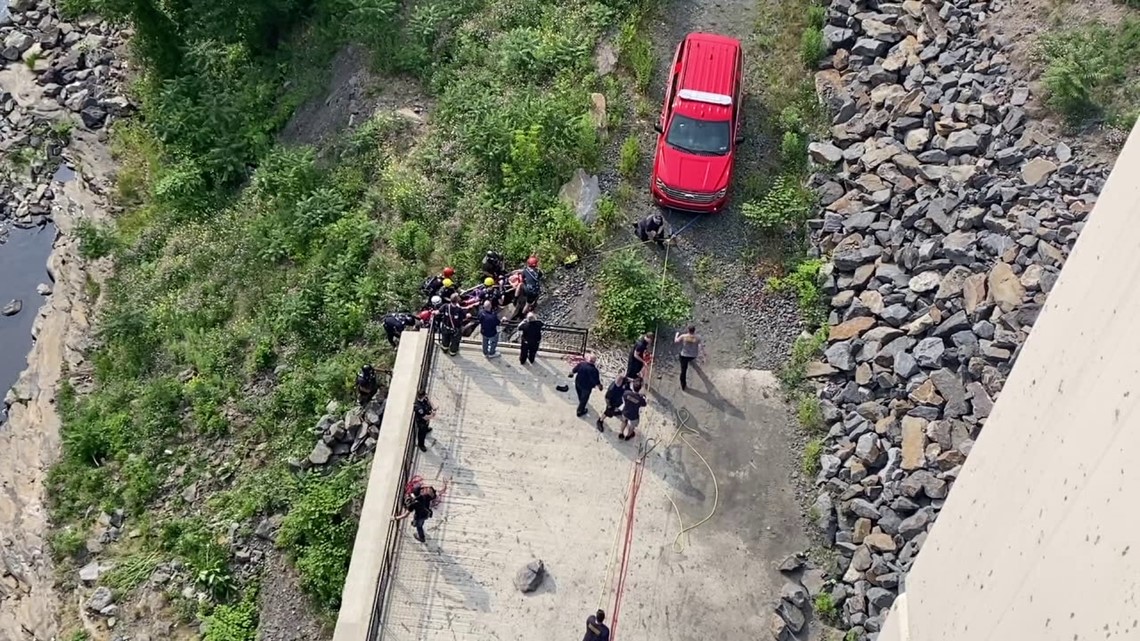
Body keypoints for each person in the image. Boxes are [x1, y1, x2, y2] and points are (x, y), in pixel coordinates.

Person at [569, 353, 603, 417]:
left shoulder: (581, 364)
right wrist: (600, 386)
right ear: (594, 361)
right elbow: (596, 381)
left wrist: (571, 374)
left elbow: (574, 370)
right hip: (586, 387)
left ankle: (581, 402)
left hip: (578, 383)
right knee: (584, 399)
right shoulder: (594, 370)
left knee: (580, 395)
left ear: (589, 359)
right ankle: (580, 411)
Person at [674, 325, 702, 391]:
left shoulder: (683, 336)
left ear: (688, 330)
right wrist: (703, 355)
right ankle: (691, 361)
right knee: (691, 359)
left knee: (683, 371)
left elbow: (676, 341)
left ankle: (683, 385)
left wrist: (676, 335)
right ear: (694, 330)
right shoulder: (698, 337)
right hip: (693, 355)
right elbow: (700, 347)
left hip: (684, 355)